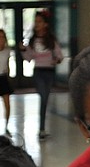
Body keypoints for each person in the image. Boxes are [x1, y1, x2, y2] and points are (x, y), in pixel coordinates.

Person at [22, 10, 64, 139]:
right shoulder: (32, 40)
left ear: (45, 24)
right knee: (44, 97)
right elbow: (28, 58)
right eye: (35, 21)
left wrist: (56, 60)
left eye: (39, 21)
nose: (37, 24)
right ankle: (41, 128)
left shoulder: (51, 40)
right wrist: (23, 50)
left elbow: (60, 56)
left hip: (49, 71)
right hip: (38, 71)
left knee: (45, 99)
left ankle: (42, 128)